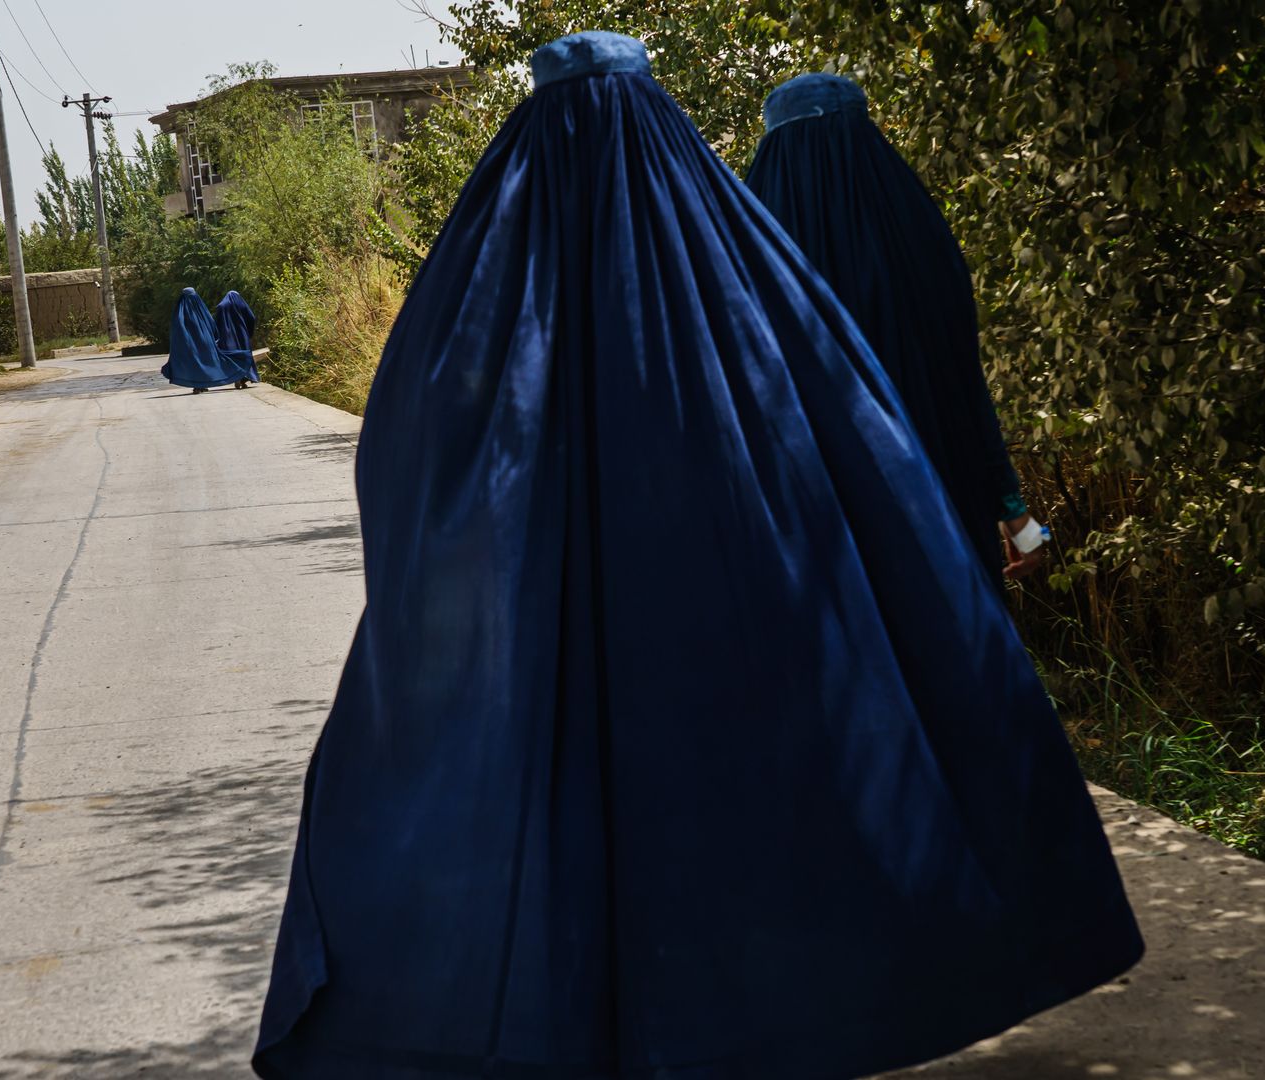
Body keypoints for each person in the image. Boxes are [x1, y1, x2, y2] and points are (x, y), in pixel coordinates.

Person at [254, 31, 1142, 1080]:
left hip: (558, 639)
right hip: (728, 622)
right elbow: (856, 426)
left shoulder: (484, 274)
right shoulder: (742, 261)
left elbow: (412, 445)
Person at [744, 73, 1049, 583]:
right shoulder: (919, 242)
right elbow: (963, 390)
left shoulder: (743, 263)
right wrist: (1018, 517)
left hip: (808, 554)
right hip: (935, 533)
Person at [161, 287, 244, 393]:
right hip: (205, 342)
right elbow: (211, 322)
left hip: (188, 344)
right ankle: (203, 384)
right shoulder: (200, 307)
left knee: (194, 363)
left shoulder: (179, 311)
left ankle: (198, 386)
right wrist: (214, 337)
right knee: (205, 362)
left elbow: (176, 330)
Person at [215, 290, 260, 389]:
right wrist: (249, 332)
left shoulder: (221, 306)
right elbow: (251, 317)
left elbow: (216, 323)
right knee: (244, 355)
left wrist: (218, 336)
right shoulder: (241, 304)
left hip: (227, 336)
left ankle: (236, 377)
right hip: (242, 335)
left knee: (233, 356)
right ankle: (244, 378)